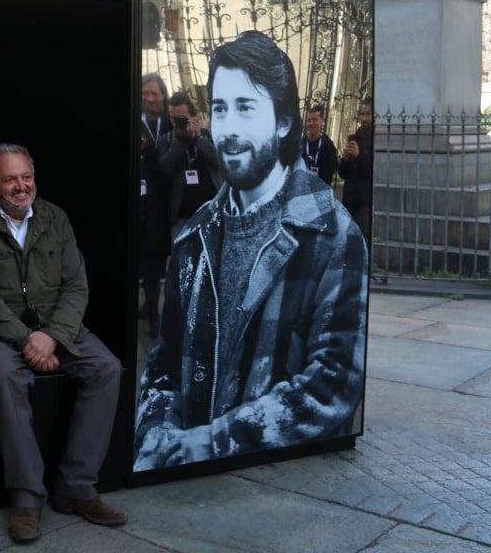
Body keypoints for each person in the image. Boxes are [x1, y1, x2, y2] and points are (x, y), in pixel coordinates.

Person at [134, 30, 367, 470]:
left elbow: (332, 384)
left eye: (246, 107)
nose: (231, 127)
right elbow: (164, 364)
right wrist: (154, 436)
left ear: (282, 121)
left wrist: (205, 446)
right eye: (221, 109)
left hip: (285, 492)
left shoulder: (331, 234)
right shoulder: (195, 236)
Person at [0, 144, 125, 544]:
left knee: (106, 368)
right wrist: (26, 339)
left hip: (55, 329)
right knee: (3, 373)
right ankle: (27, 497)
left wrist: (52, 337)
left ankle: (78, 487)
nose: (20, 186)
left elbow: (76, 285)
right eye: (10, 179)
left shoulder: (55, 218)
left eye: (26, 177)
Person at [158, 91, 221, 245]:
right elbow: (165, 169)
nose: (177, 123)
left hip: (212, 214)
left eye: (182, 119)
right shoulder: (166, 139)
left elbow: (219, 163)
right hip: (181, 218)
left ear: (194, 116)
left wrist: (198, 138)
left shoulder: (208, 136)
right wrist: (179, 141)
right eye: (174, 119)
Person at [139, 72, 172, 338]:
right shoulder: (133, 121)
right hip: (136, 203)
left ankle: (154, 317)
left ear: (163, 96)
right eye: (145, 93)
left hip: (160, 205)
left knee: (154, 267)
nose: (150, 98)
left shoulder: (171, 124)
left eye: (154, 93)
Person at [338, 97, 374, 245]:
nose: (364, 118)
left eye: (368, 114)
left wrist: (359, 157)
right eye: (362, 114)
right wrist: (344, 160)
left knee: (360, 244)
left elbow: (371, 173)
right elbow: (342, 174)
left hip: (363, 203)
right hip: (348, 200)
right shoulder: (355, 137)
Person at [301, 104, 339, 186]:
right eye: (308, 120)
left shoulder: (328, 145)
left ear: (322, 121)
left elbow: (330, 171)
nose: (311, 123)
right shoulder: (300, 144)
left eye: (315, 119)